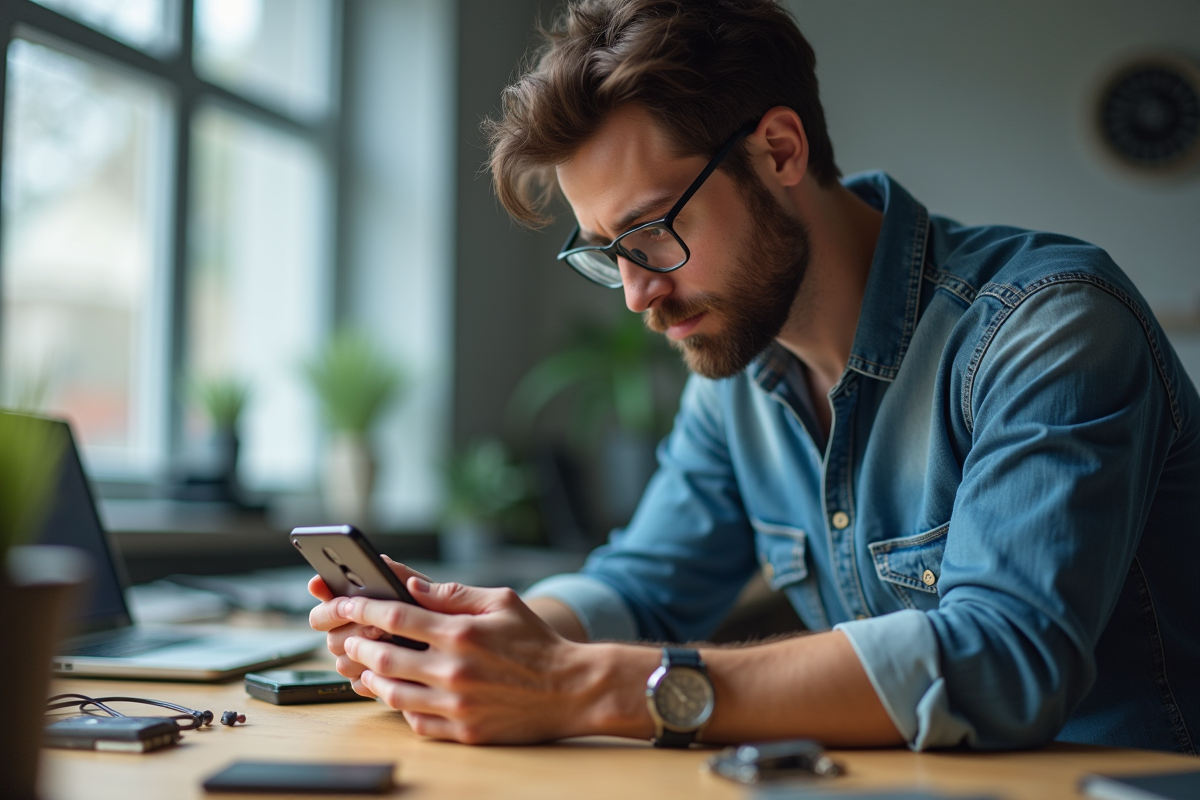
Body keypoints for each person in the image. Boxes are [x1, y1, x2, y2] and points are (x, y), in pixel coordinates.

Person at [309, 0, 1200, 753]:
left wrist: (581, 685)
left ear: (779, 151)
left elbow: (1005, 661)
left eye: (653, 230)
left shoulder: (1047, 326)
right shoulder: (736, 376)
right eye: (606, 254)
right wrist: (493, 641)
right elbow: (646, 582)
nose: (636, 294)